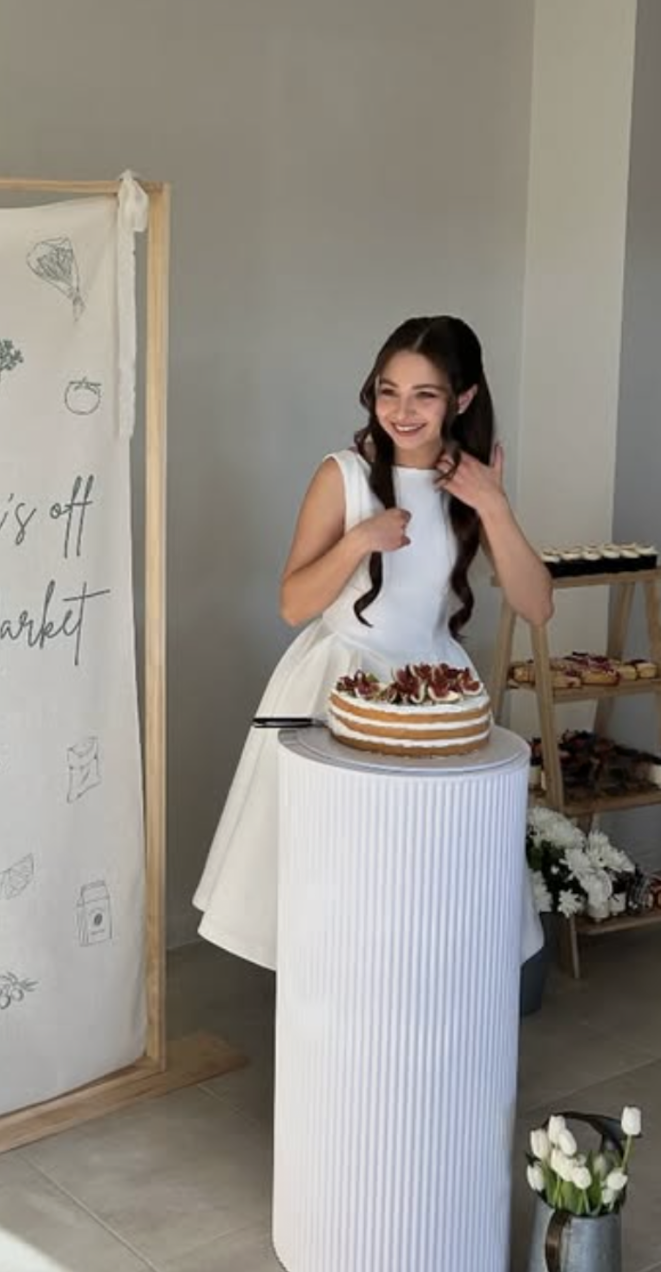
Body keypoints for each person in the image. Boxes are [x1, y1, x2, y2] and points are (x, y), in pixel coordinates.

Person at [194, 315, 554, 970]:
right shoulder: (344, 474)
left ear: (463, 399)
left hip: (434, 696)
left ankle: (418, 1014)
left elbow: (536, 605)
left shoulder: (471, 486)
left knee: (426, 886)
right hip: (339, 688)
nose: (402, 411)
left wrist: (496, 507)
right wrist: (359, 540)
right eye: (389, 391)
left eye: (425, 394)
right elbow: (292, 603)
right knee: (340, 882)